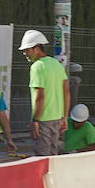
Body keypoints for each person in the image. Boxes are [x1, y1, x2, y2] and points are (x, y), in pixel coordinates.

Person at [19, 29, 70, 157]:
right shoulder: (57, 64)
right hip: (57, 119)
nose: (25, 53)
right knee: (53, 157)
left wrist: (35, 120)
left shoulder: (37, 66)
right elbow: (66, 92)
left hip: (43, 120)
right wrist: (64, 117)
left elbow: (39, 96)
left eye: (27, 50)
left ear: (36, 48)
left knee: (42, 158)